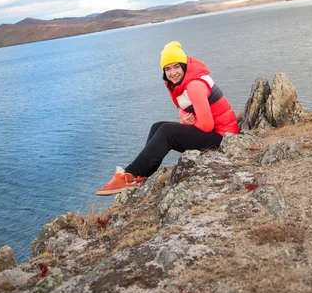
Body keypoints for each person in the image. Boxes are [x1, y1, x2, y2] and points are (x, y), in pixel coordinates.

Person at [96, 41, 239, 195]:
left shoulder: (194, 85)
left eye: (177, 66)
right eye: (168, 69)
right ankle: (141, 177)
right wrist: (186, 119)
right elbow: (184, 110)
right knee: (157, 126)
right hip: (215, 133)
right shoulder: (180, 83)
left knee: (167, 132)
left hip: (224, 138)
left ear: (184, 66)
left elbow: (206, 126)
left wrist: (192, 121)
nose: (173, 73)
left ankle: (129, 175)